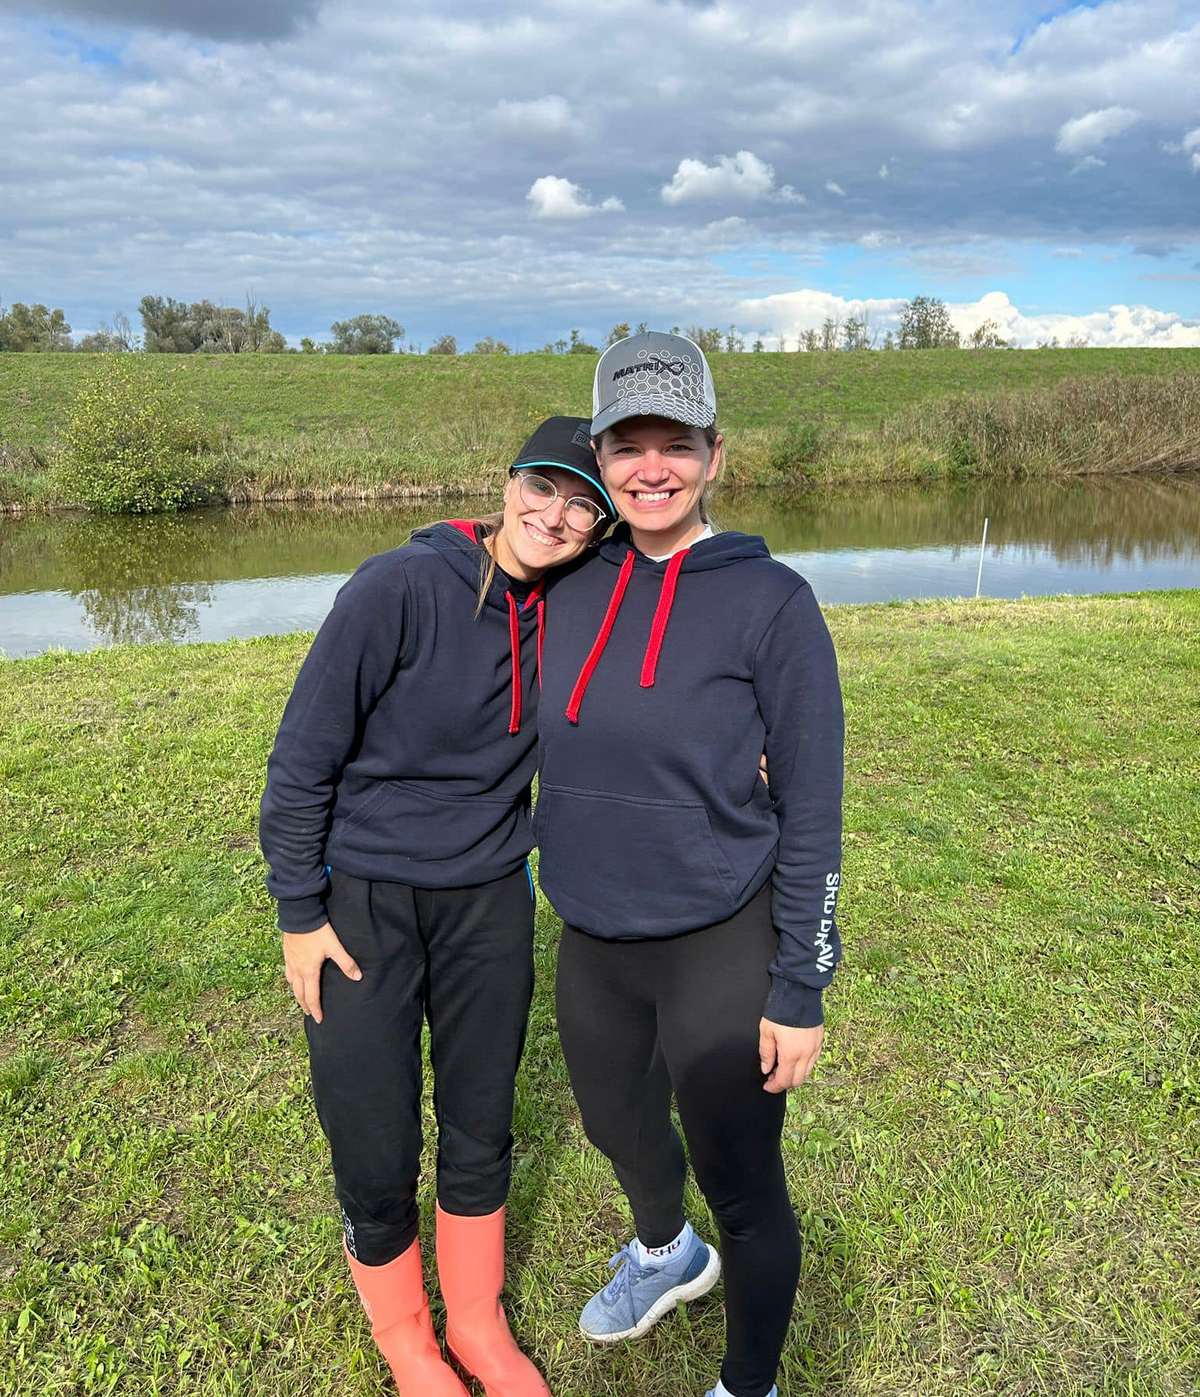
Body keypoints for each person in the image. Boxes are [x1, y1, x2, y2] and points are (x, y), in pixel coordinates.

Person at [258, 418, 612, 1397]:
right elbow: (300, 760)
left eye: (583, 505)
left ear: (601, 526)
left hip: (489, 898)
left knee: (480, 1118)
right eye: (542, 487)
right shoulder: (398, 587)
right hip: (361, 903)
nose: (555, 516)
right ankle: (408, 1338)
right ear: (507, 484)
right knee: (373, 1132)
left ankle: (479, 1323)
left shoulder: (578, 604)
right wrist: (299, 910)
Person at [535, 333, 845, 1397]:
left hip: (719, 934)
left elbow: (813, 807)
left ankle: (749, 1383)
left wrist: (801, 984)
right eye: (628, 445)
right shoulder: (572, 581)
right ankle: (668, 1254)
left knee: (742, 1180)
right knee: (614, 1123)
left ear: (717, 454)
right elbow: (484, 571)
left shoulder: (774, 603)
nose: (652, 468)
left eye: (677, 443)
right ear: (600, 456)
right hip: (592, 929)